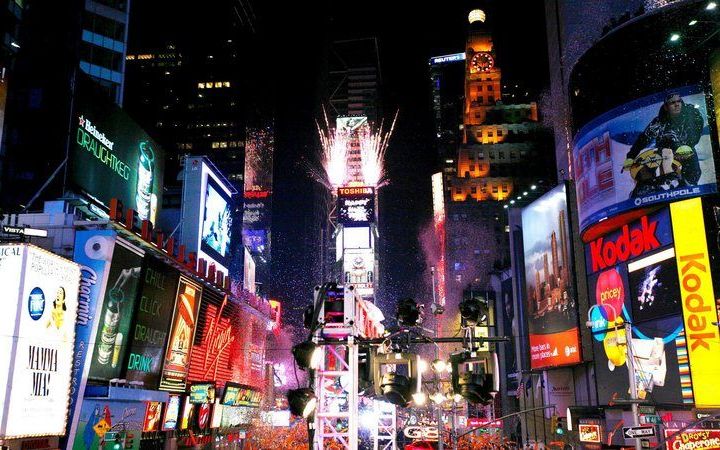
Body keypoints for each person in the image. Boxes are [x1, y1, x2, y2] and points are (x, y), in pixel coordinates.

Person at [623, 92, 704, 188]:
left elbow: (697, 129)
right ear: (666, 107)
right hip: (664, 151)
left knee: (693, 174)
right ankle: (651, 187)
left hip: (686, 148)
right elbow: (643, 139)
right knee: (648, 171)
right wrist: (631, 157)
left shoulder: (690, 114)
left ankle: (688, 186)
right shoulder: (659, 122)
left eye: (679, 101)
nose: (677, 104)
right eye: (672, 103)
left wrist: (688, 144)